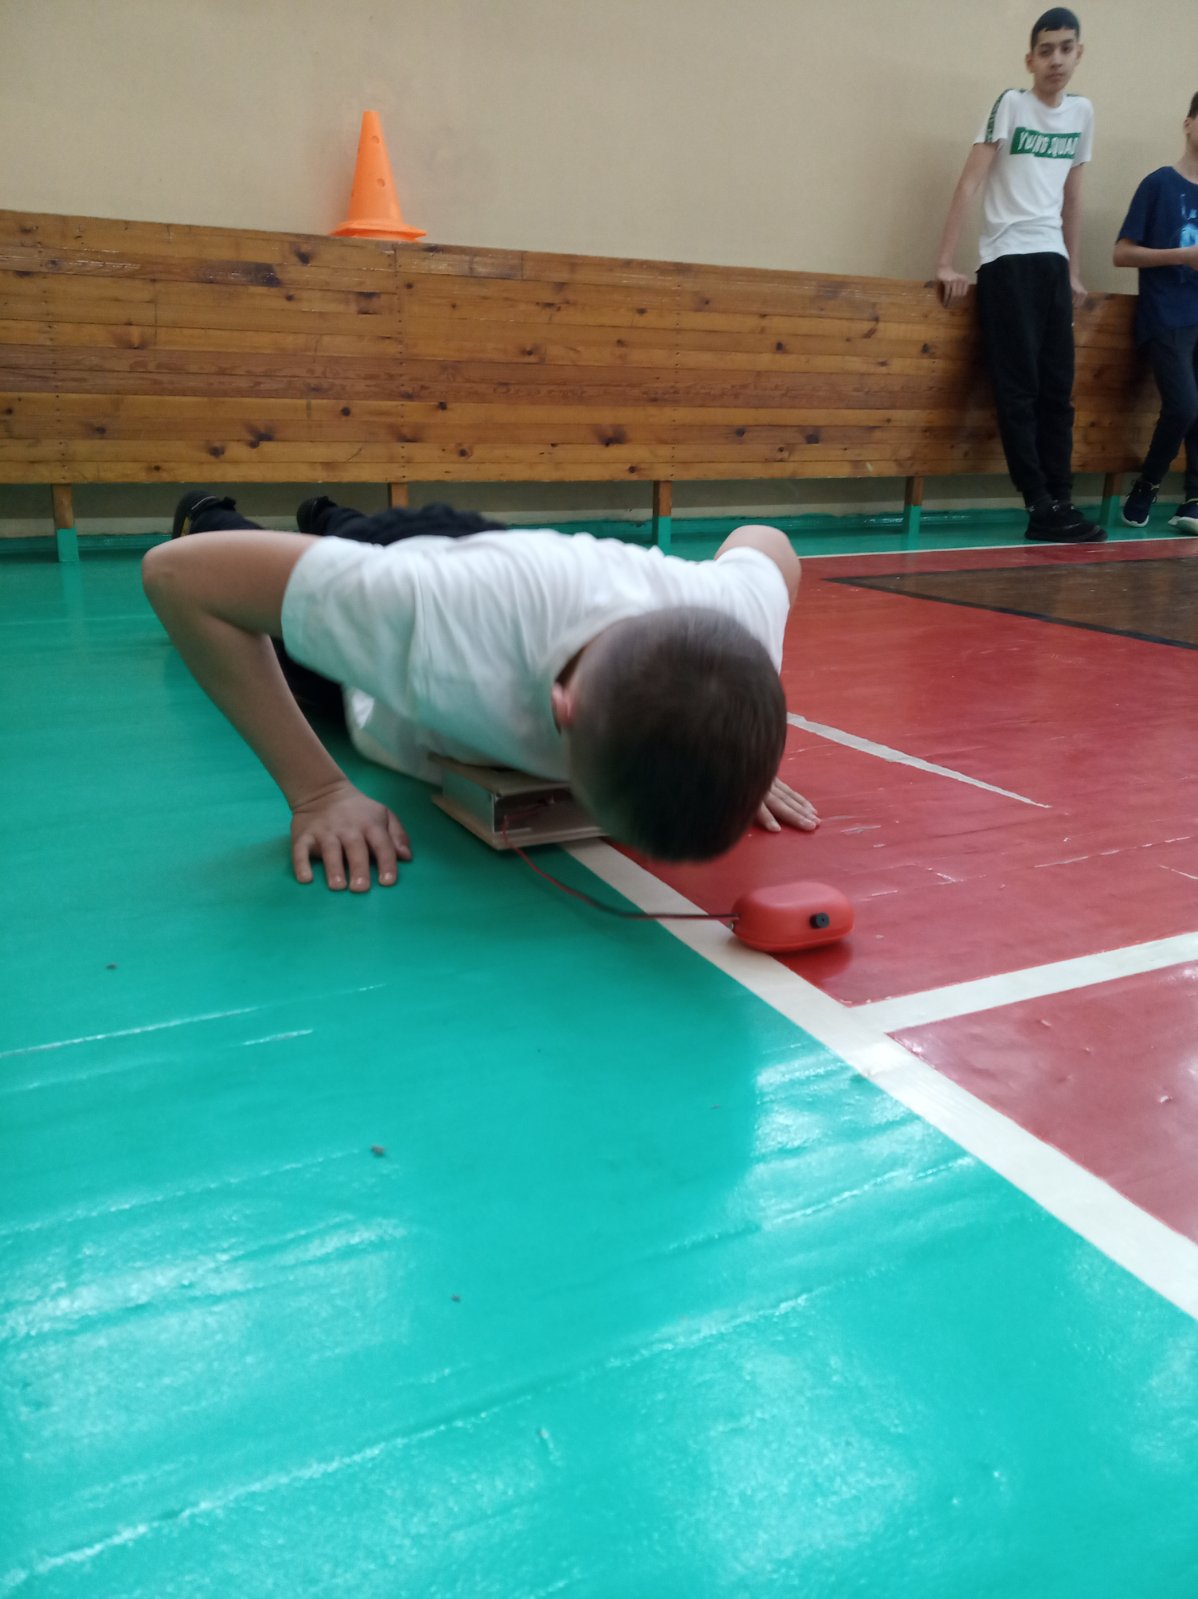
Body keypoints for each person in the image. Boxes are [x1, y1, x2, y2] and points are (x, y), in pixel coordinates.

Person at [142, 492, 818, 893]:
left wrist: (724, 741)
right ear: (562, 710)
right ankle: (211, 510)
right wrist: (319, 793)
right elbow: (177, 578)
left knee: (351, 542)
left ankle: (325, 512)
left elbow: (769, 543)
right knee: (279, 580)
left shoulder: (741, 617)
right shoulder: (431, 621)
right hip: (423, 575)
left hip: (505, 562)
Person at [935, 7, 1102, 543]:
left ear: (1079, 54)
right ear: (1030, 59)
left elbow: (1072, 197)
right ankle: (1037, 503)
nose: (1056, 60)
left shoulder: (1082, 114)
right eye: (1046, 50)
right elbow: (969, 183)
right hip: (1007, 262)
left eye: (1066, 48)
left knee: (1058, 390)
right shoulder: (1010, 104)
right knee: (1019, 389)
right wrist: (946, 261)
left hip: (1051, 263)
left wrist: (1074, 269)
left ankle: (1062, 497)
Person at [1113, 93, 1198, 535]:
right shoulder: (1159, 184)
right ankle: (1147, 484)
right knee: (1183, 405)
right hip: (1168, 312)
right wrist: (1182, 256)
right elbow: (1122, 253)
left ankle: (1194, 498)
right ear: (1188, 123)